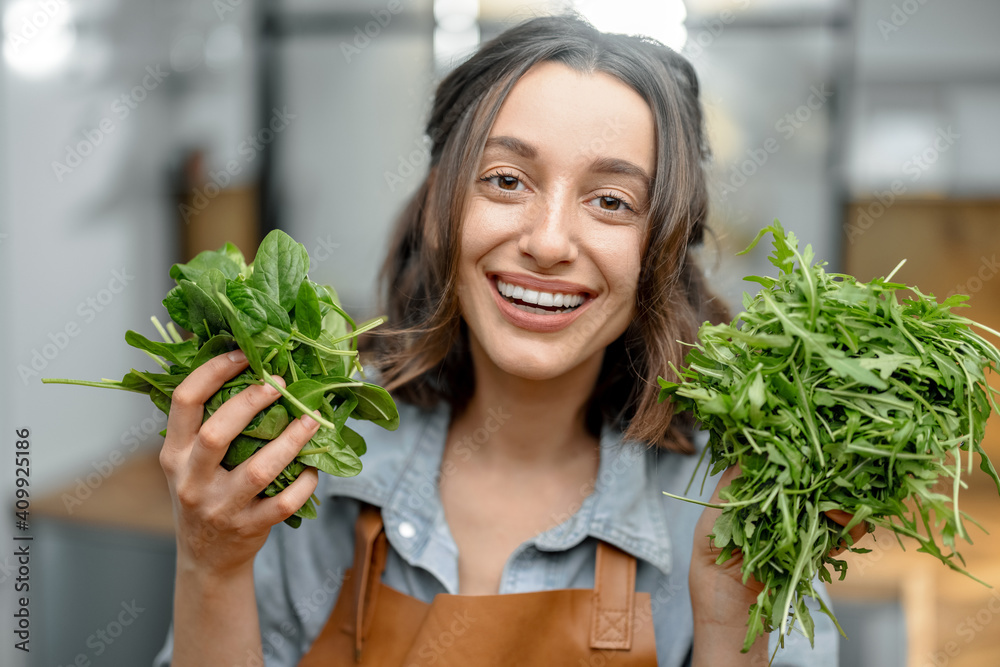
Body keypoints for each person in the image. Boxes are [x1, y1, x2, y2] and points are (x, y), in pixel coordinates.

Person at [154, 14, 862, 667]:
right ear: (439, 206)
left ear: (662, 251)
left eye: (611, 200)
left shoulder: (737, 500)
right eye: (505, 180)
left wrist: (730, 617)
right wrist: (209, 565)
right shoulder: (311, 443)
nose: (549, 242)